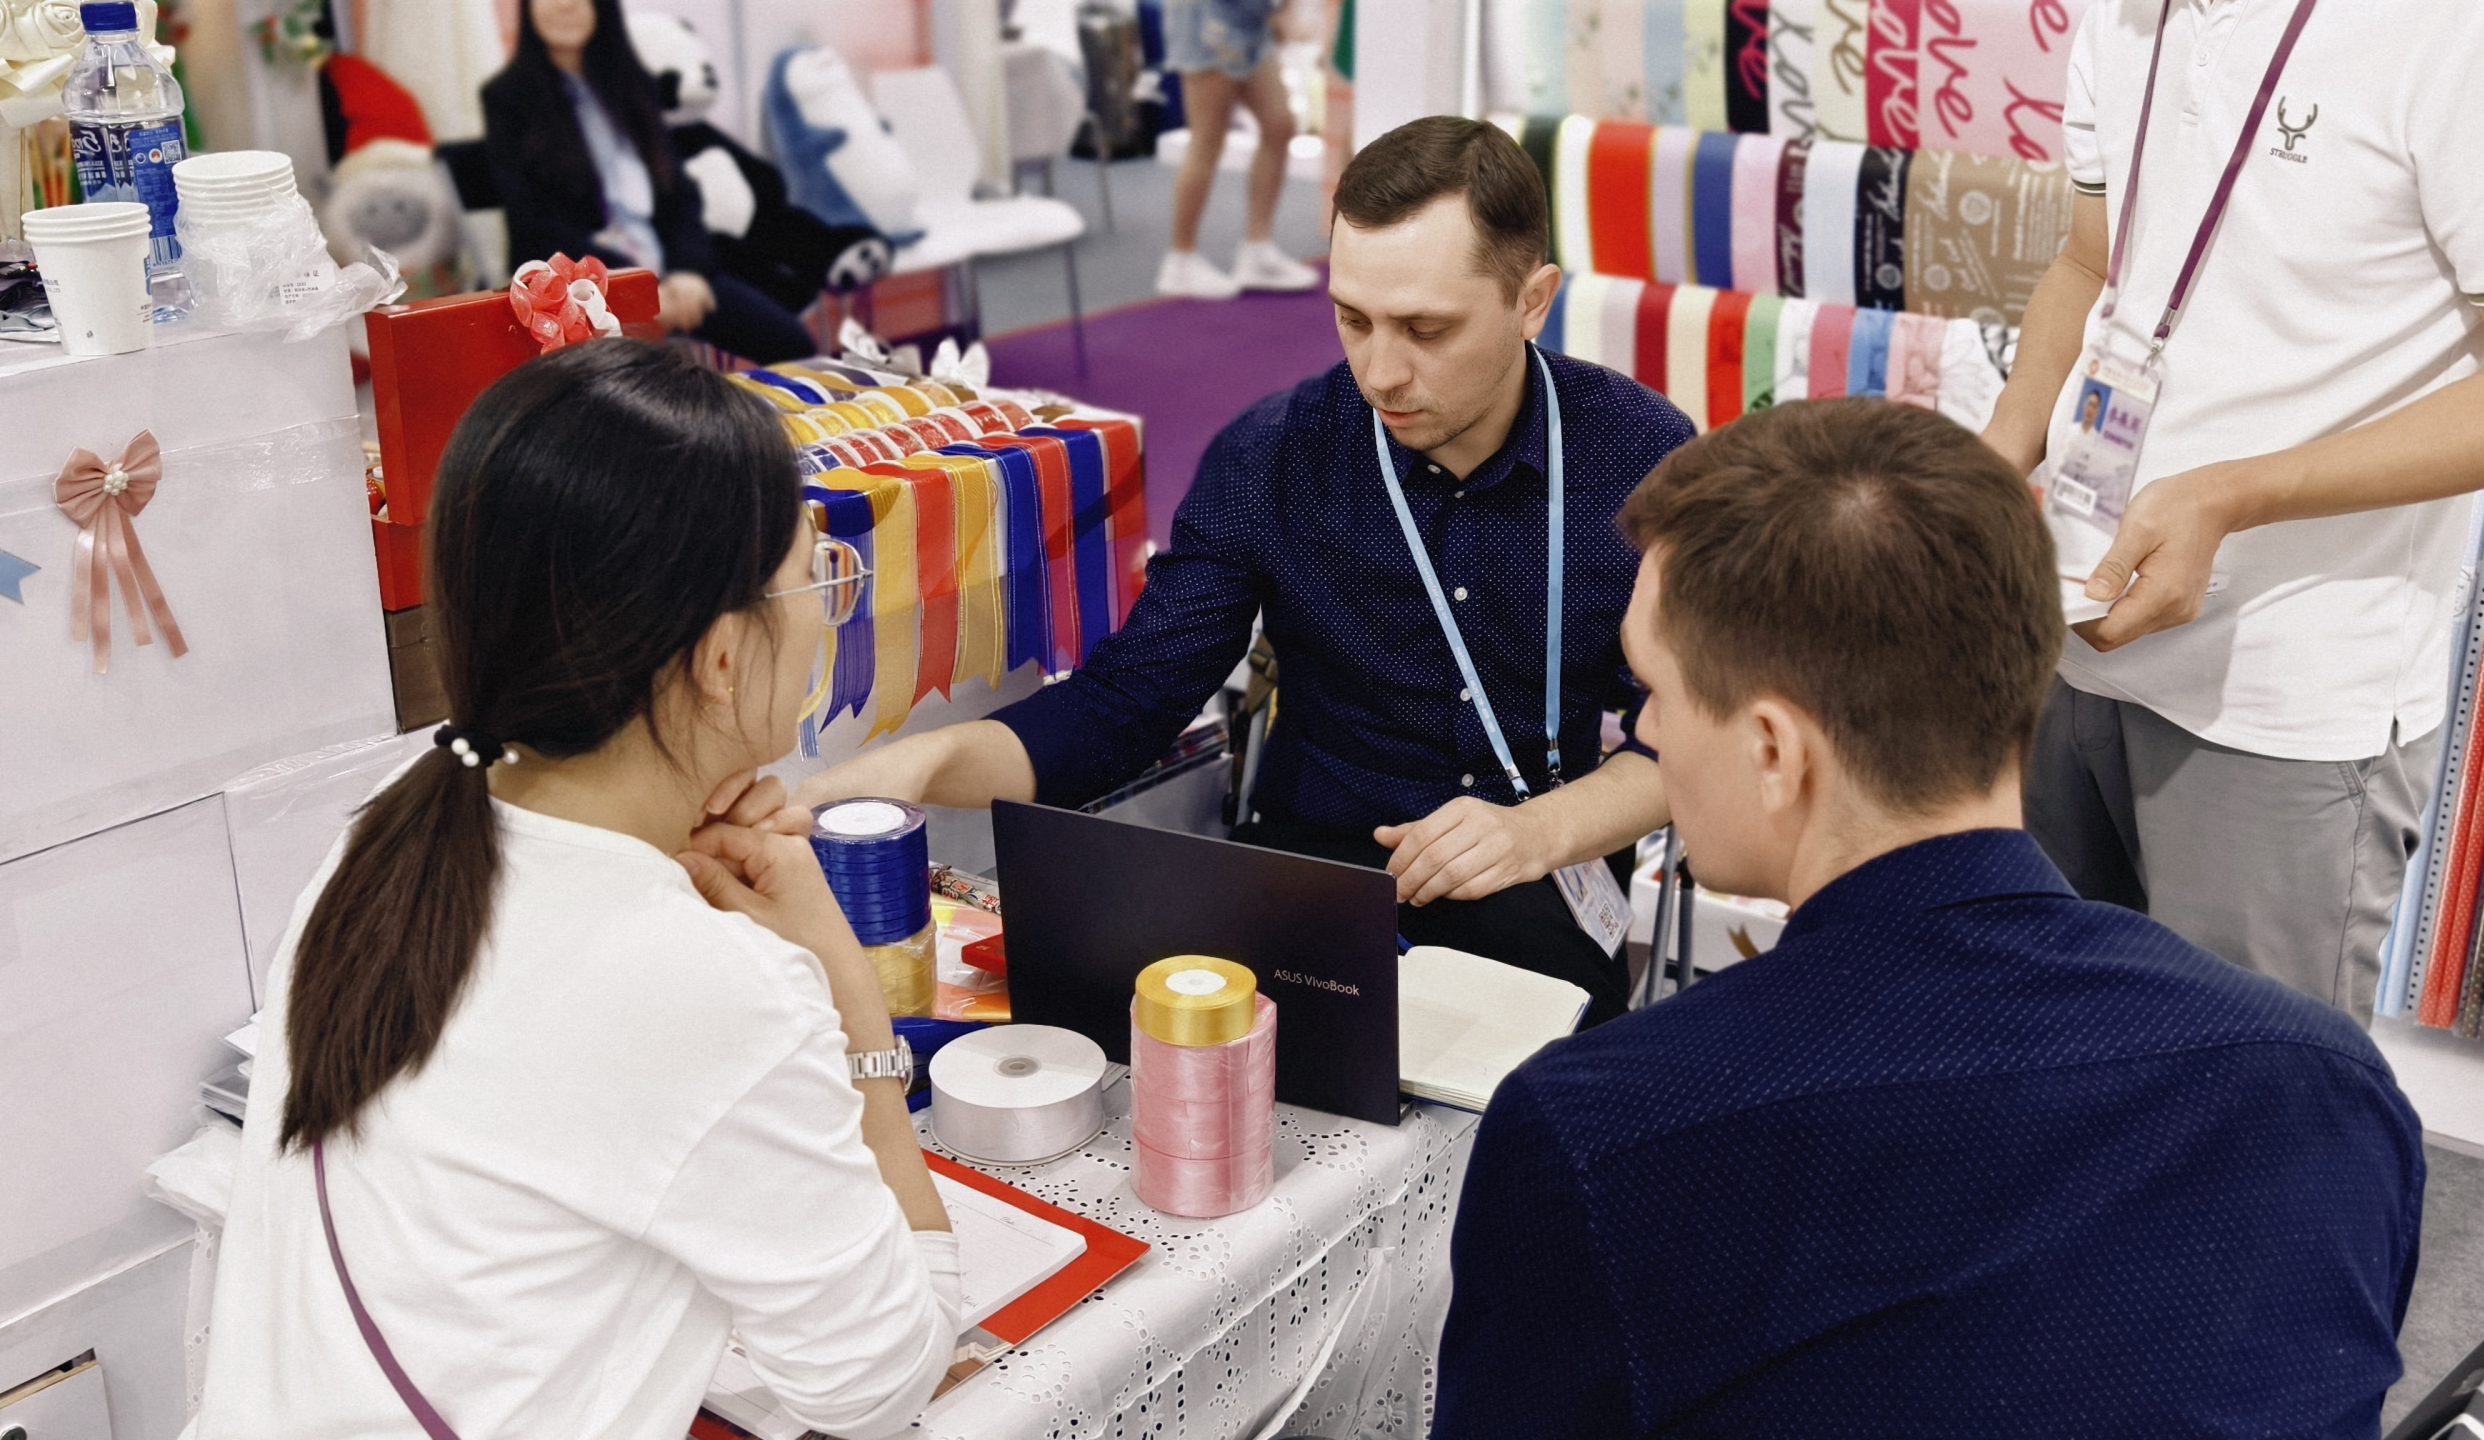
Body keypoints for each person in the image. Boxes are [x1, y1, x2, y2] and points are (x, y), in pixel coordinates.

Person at [1435, 399, 2426, 1436]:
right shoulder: (2328, 1083)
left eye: (1653, 693)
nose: (1644, 731)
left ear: (1774, 751)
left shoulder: (1598, 1135)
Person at [194, 342, 957, 1440]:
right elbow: (880, 1384)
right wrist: (849, 1001)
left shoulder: (392, 835)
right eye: (814, 575)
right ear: (721, 660)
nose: (826, 608)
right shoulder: (709, 990)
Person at [800, 117, 1692, 1024]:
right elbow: (1126, 706)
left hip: (1541, 872)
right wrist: (921, 762)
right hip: (1314, 881)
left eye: (1426, 329)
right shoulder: (1273, 457)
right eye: (1353, 320)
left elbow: (1701, 726)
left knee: (1527, 1095)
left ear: (1532, 302)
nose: (1382, 372)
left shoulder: (1640, 455)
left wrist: (1540, 831)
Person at [1977, 0, 2484, 1024]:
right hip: (2063, 631)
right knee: (2058, 1051)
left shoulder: (2475, 27)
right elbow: (2089, 263)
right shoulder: (2122, 16)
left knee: (2249, 1092)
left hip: (2287, 688)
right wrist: (1987, 464)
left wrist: (2237, 494)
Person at [480, 0, 816, 363]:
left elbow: (678, 195)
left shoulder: (631, 83)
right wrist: (639, 286)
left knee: (793, 343)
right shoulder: (507, 97)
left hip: (670, 272)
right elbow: (534, 226)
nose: (565, 5)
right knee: (641, 375)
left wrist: (688, 272)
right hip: (580, 283)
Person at [1154, 0, 1320, 299]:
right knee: (1207, 138)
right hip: (1206, 19)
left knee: (1279, 125)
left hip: (1251, 19)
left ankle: (1258, 250)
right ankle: (1180, 259)